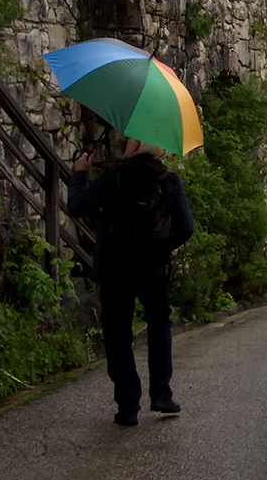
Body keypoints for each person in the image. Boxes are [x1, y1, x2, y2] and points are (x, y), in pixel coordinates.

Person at [67, 136, 193, 426]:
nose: (125, 143)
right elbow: (186, 227)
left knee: (117, 333)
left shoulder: (113, 176)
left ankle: (128, 405)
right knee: (159, 324)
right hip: (152, 268)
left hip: (115, 267)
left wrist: (80, 174)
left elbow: (76, 207)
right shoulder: (170, 180)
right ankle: (161, 393)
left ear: (136, 146)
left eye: (129, 140)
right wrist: (162, 247)